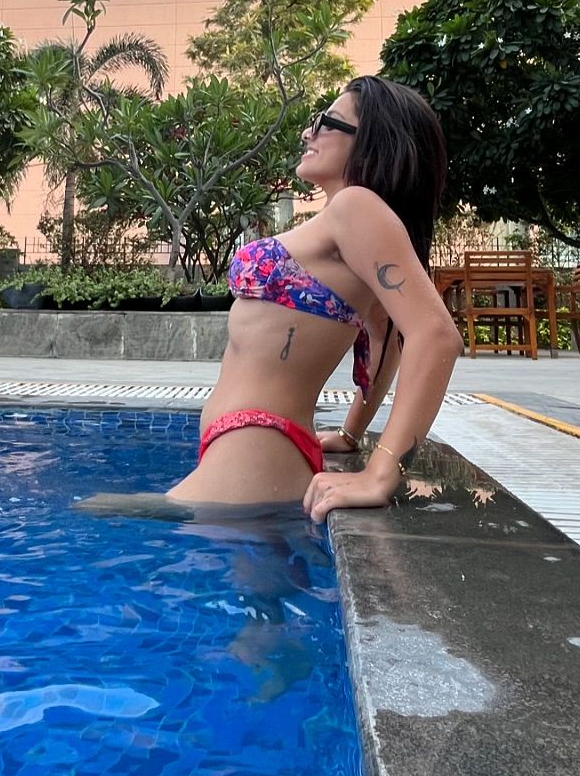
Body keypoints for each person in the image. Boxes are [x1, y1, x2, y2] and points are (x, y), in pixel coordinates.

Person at [165, 75, 464, 522]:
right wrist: (351, 433)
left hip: (254, 449)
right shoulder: (349, 222)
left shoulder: (356, 207)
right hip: (253, 449)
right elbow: (384, 337)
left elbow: (436, 335)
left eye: (327, 122)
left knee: (102, 524)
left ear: (371, 144)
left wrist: (382, 472)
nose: (309, 132)